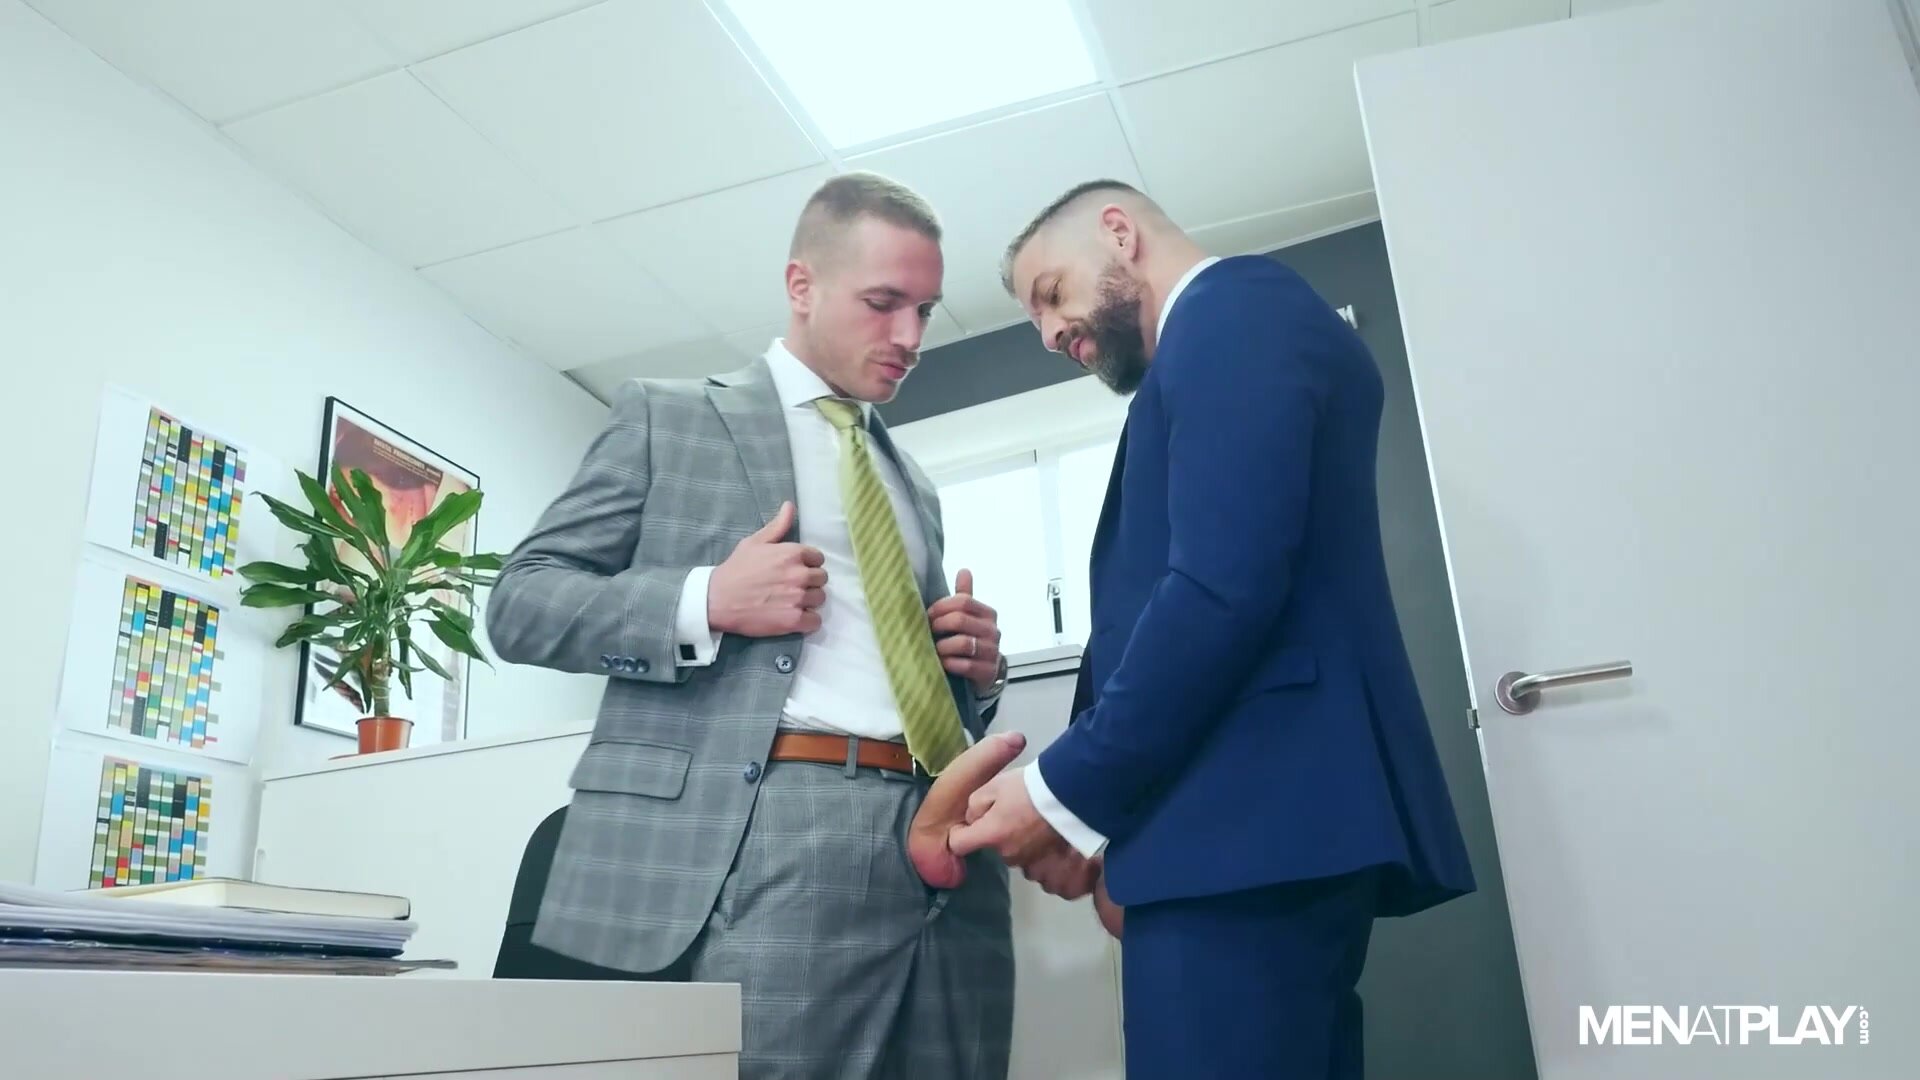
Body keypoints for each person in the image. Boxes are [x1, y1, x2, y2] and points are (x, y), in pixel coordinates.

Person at [930, 179, 1478, 1079]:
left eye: (1052, 294)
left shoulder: (1233, 311)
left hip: (1246, 829)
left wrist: (1064, 796)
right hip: (1241, 833)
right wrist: (1105, 828)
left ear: (1119, 232)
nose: (1050, 334)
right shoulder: (1213, 344)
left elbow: (1222, 589)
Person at [485, 172, 1016, 1080]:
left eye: (926, 310)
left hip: (949, 834)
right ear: (802, 285)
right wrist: (706, 599)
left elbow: (885, 660)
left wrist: (972, 671)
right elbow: (520, 604)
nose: (911, 337)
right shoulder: (667, 416)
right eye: (884, 302)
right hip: (783, 825)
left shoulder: (915, 485)